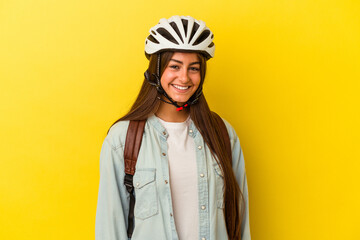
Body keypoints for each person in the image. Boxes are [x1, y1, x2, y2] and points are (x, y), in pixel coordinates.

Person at [95, 15, 251, 240]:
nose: (184, 77)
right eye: (174, 66)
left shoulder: (224, 135)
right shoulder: (122, 139)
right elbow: (110, 230)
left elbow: (240, 222)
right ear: (157, 70)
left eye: (194, 68)